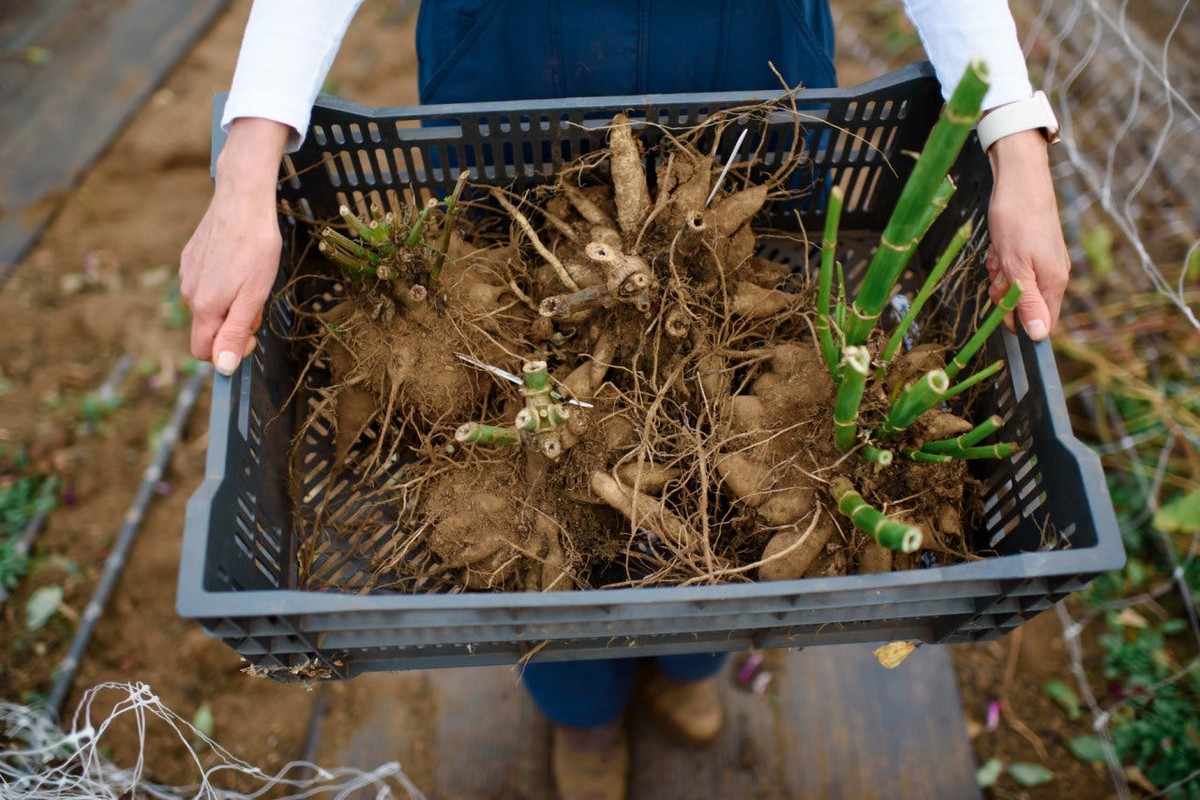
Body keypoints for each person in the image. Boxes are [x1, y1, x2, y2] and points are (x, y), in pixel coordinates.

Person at [180, 3, 1071, 798]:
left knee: (722, 545)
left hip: (749, 68)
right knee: (547, 584)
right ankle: (580, 715)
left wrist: (1013, 131)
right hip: (513, 63)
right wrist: (249, 156)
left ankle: (689, 663)